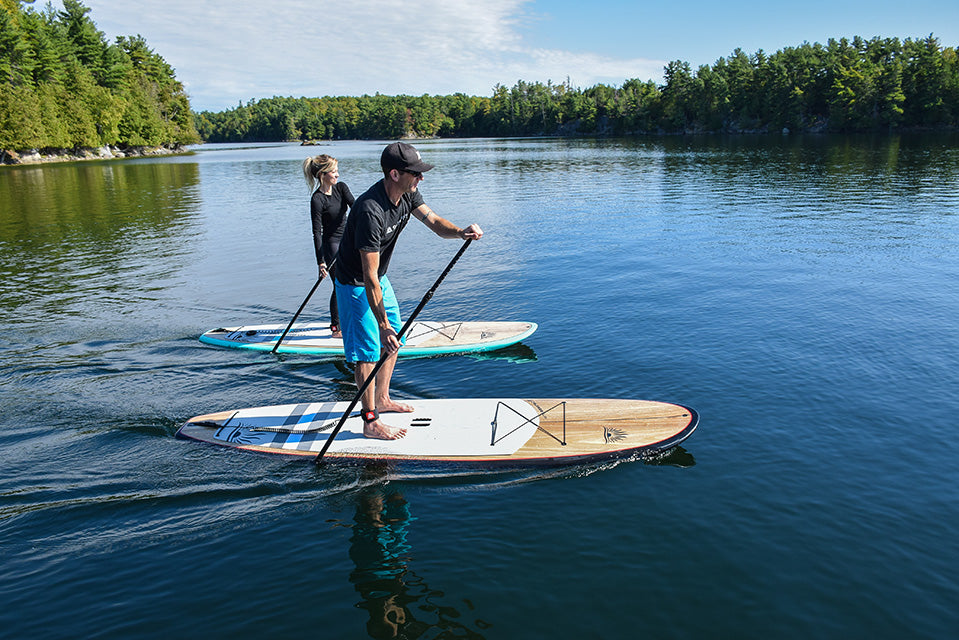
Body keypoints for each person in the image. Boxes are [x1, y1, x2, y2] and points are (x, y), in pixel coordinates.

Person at [334, 142, 483, 440]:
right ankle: (369, 422)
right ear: (394, 174)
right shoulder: (369, 211)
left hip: (379, 279)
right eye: (415, 173)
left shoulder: (408, 194)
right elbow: (368, 276)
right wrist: (382, 326)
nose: (421, 178)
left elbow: (435, 222)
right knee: (367, 352)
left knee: (395, 339)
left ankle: (383, 399)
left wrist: (459, 232)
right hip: (355, 283)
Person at [303, 154, 354, 337]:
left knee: (354, 281)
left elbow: (355, 208)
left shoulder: (341, 188)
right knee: (339, 284)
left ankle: (352, 320)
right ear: (323, 175)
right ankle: (336, 328)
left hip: (348, 241)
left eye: (337, 171)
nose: (337, 175)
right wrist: (321, 262)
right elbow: (317, 232)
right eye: (333, 171)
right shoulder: (317, 199)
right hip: (331, 244)